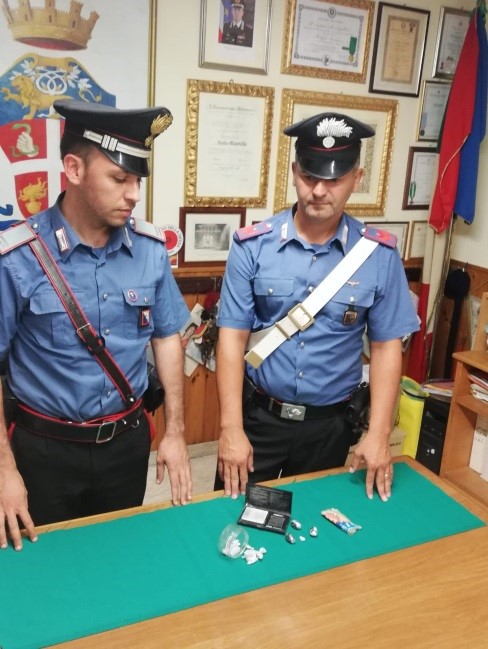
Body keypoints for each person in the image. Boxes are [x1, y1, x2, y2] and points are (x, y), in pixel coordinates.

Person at [0, 100, 192, 551]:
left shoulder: (149, 250)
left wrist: (176, 432)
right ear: (74, 169)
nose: (134, 194)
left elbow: (167, 336)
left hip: (126, 444)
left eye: (138, 180)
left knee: (119, 556)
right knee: (46, 567)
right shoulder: (17, 258)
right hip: (44, 450)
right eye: (119, 179)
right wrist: (4, 470)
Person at [214, 112, 419, 503]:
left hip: (330, 426)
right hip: (259, 418)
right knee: (232, 511)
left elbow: (385, 347)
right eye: (309, 176)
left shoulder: (378, 255)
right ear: (294, 173)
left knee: (315, 521)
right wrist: (230, 429)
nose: (319, 191)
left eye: (334, 179)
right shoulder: (252, 246)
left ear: (356, 179)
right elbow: (231, 339)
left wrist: (378, 434)